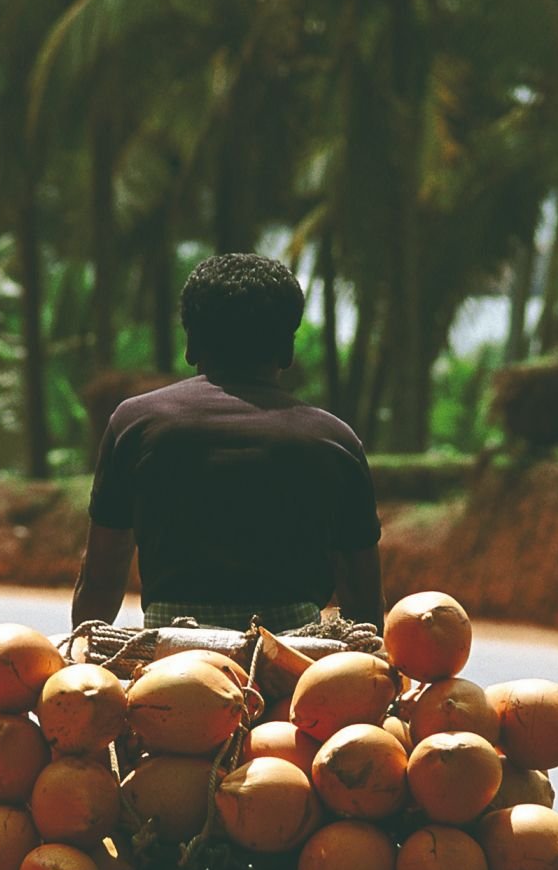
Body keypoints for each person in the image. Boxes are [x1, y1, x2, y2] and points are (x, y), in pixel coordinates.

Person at [72, 252, 384, 633]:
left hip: (172, 655)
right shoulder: (334, 440)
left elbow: (102, 576)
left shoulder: (135, 422)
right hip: (295, 659)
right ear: (287, 351)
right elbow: (363, 596)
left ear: (190, 346)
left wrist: (80, 664)